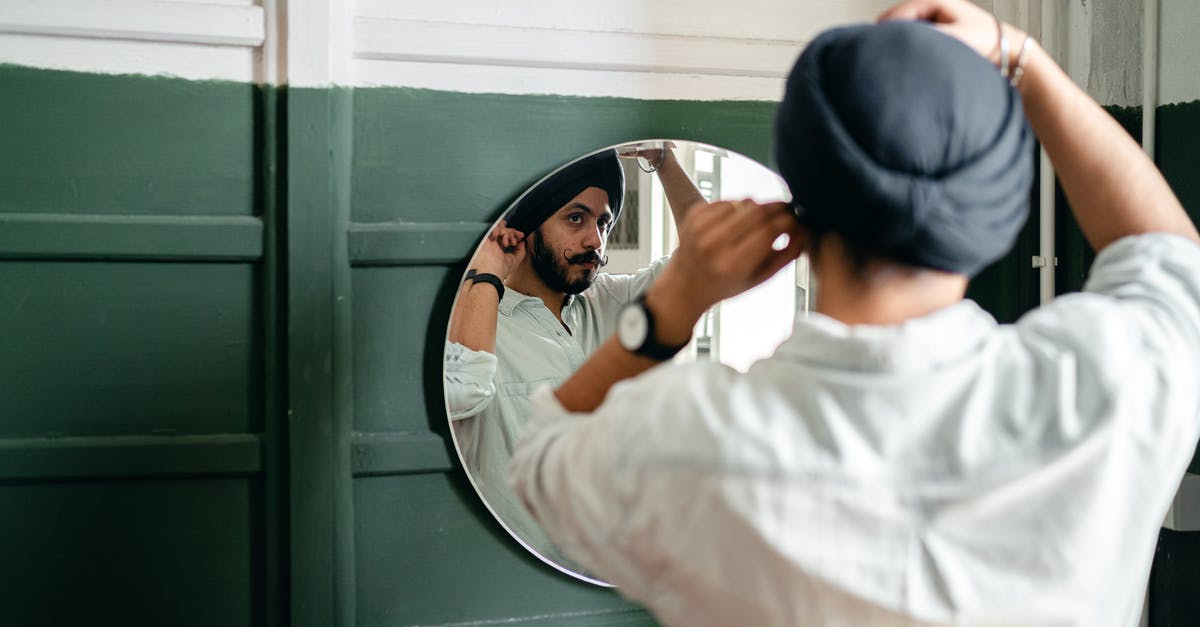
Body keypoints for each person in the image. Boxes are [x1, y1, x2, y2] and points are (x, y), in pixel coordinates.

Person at [507, 1, 1200, 625]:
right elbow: (1169, 257)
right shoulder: (1108, 389)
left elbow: (539, 458)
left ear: (797, 204)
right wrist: (1022, 58)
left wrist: (671, 310)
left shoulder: (688, 444)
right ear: (999, 216)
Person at [444, 145, 703, 567]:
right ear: (527, 226)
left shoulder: (613, 302)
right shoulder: (476, 315)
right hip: (513, 579)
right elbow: (461, 395)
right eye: (576, 218)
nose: (595, 240)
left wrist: (665, 162)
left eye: (603, 221)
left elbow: (707, 260)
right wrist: (487, 273)